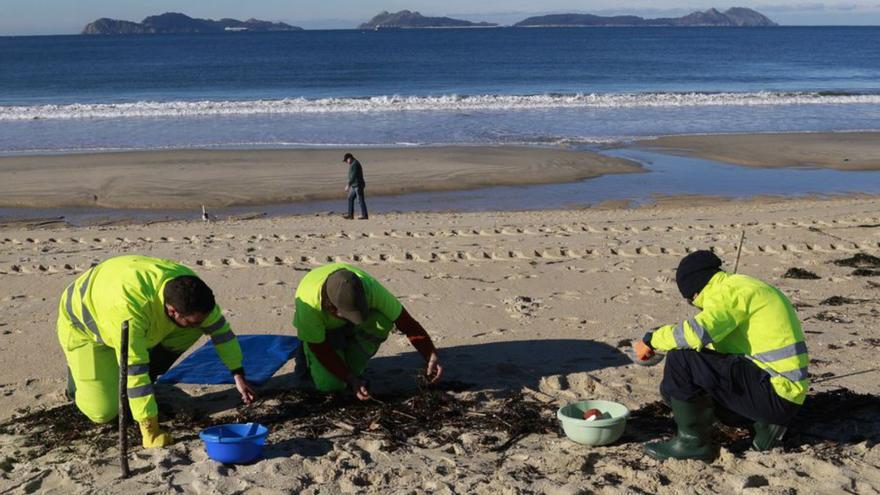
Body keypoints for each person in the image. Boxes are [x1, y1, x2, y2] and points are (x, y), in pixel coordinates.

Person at [57, 255, 256, 448]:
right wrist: (150, 430)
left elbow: (221, 332)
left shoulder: (191, 291)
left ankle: (148, 376)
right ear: (173, 311)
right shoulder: (130, 312)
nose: (201, 324)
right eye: (193, 320)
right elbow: (135, 371)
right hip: (85, 328)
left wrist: (237, 373)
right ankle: (76, 383)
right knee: (103, 412)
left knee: (193, 328)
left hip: (130, 309)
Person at [634, 250, 808, 461]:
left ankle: (692, 444)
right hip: (781, 392)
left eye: (690, 300)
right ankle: (762, 425)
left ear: (695, 291)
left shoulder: (731, 292)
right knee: (678, 384)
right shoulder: (744, 286)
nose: (695, 305)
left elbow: (696, 333)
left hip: (775, 393)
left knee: (682, 359)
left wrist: (652, 340)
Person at [292, 263, 442, 399]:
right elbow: (321, 349)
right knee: (332, 386)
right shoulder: (308, 308)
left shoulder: (368, 287)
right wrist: (350, 379)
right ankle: (305, 354)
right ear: (331, 309)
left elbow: (407, 323)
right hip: (324, 334)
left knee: (382, 321)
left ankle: (353, 365)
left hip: (347, 325)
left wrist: (430, 355)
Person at [343, 152, 368, 220]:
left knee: (360, 200)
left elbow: (353, 176)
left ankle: (364, 215)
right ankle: (350, 215)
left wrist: (348, 185)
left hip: (358, 185)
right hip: (354, 185)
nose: (346, 162)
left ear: (350, 158)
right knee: (350, 198)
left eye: (346, 160)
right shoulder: (353, 164)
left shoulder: (355, 164)